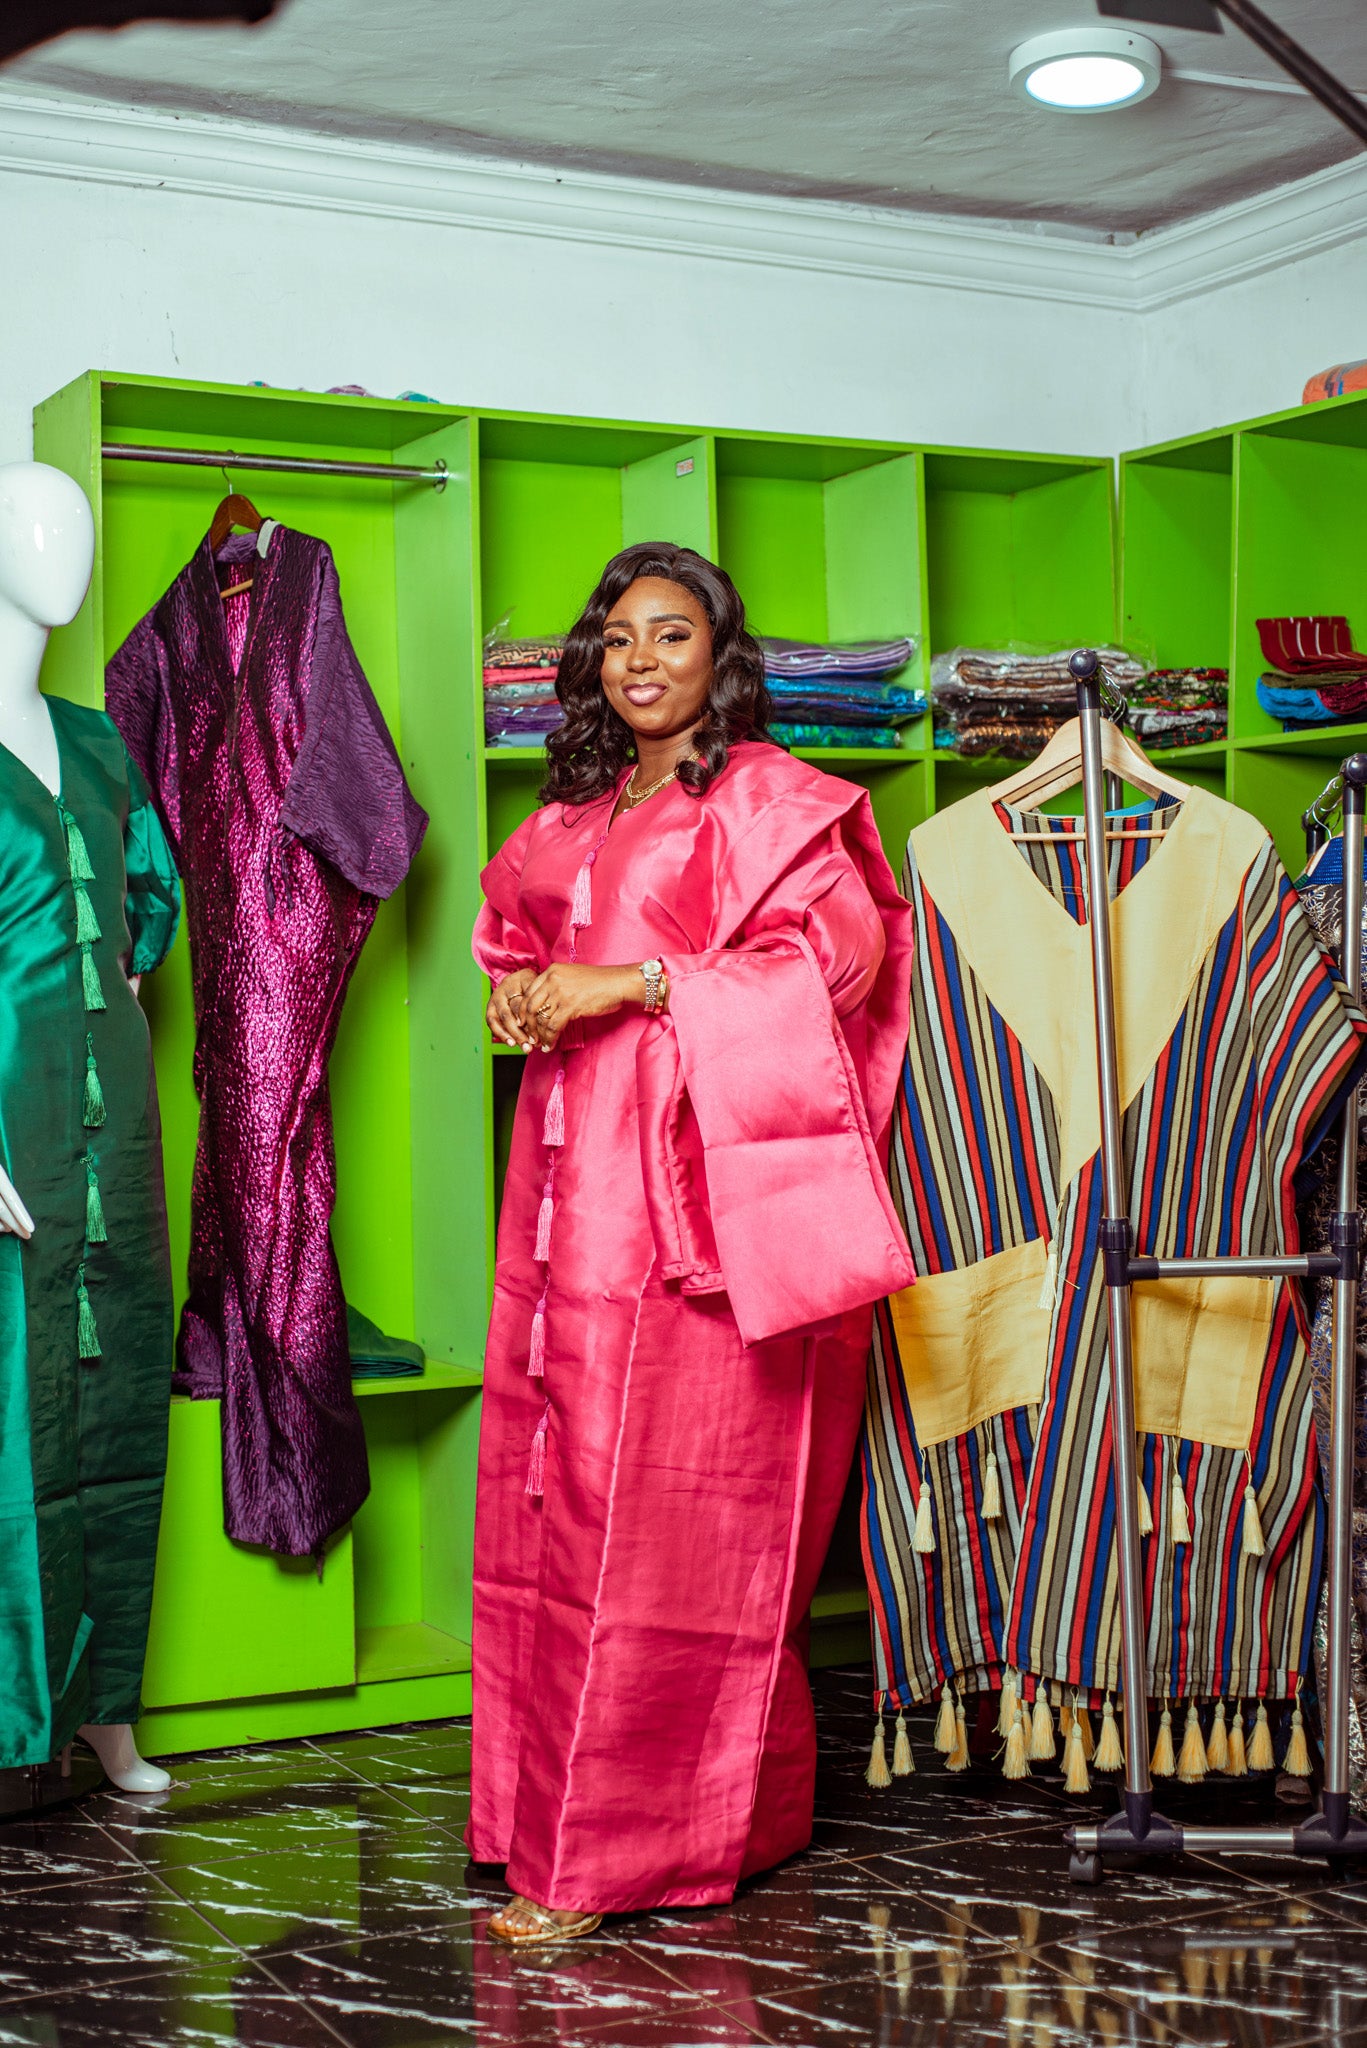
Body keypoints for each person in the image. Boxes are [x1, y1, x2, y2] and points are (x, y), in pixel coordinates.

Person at [470, 541, 914, 1944]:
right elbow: (512, 939)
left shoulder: (773, 801)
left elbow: (833, 966)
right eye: (617, 637)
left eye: (673, 632)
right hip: (561, 1179)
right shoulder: (578, 811)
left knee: (671, 1517)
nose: (641, 657)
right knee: (551, 1496)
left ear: (724, 656)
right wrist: (528, 1002)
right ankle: (552, 1815)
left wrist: (635, 982)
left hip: (694, 1189)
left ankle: (614, 1854)